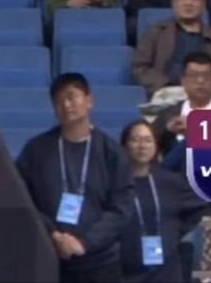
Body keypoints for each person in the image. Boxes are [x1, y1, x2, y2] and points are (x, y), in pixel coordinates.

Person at [15, 73, 135, 283]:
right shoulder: (36, 150)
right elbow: (22, 199)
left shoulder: (112, 152)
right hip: (50, 258)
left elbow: (121, 208)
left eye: (72, 96)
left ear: (89, 101)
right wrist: (54, 234)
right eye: (58, 100)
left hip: (101, 263)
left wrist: (85, 243)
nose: (66, 105)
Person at [118, 120, 208, 283]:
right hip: (126, 270)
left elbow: (197, 205)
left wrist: (174, 232)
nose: (142, 146)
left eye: (148, 140)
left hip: (166, 270)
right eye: (135, 140)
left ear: (155, 146)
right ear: (124, 146)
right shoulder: (114, 184)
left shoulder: (170, 182)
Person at [151, 53, 211, 161]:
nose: (200, 80)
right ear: (183, 81)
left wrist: (197, 129)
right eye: (193, 75)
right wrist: (167, 131)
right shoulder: (168, 115)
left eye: (206, 75)